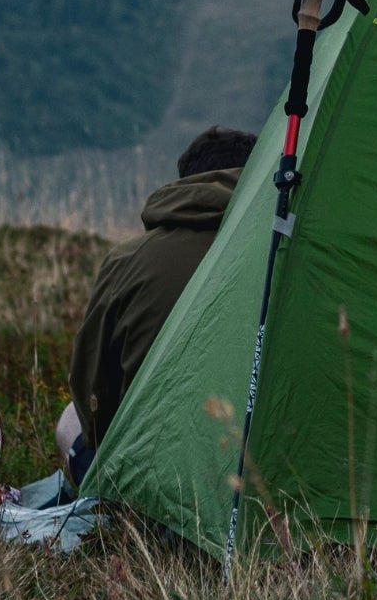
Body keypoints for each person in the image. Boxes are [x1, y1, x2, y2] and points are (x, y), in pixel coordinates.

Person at [60, 126, 256, 485]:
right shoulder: (278, 257)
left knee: (67, 421)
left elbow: (91, 396)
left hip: (150, 487)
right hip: (260, 479)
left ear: (184, 184)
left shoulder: (126, 261)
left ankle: (110, 518)